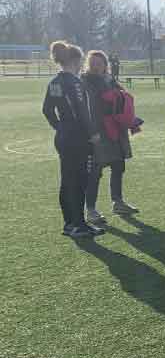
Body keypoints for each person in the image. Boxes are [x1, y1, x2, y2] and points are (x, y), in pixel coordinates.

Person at [42, 41, 102, 238]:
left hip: (63, 137)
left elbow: (47, 110)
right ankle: (78, 224)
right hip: (78, 138)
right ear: (75, 61)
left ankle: (70, 223)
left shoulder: (54, 82)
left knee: (67, 179)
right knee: (79, 180)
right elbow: (81, 111)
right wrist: (92, 134)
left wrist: (60, 127)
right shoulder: (74, 83)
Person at [82, 50, 139, 225]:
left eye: (99, 63)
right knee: (95, 171)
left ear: (105, 65)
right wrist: (91, 131)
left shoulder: (110, 80)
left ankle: (118, 202)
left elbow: (122, 102)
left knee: (118, 165)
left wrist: (130, 120)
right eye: (92, 63)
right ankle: (90, 210)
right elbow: (87, 109)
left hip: (115, 129)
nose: (95, 66)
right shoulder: (85, 82)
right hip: (98, 131)